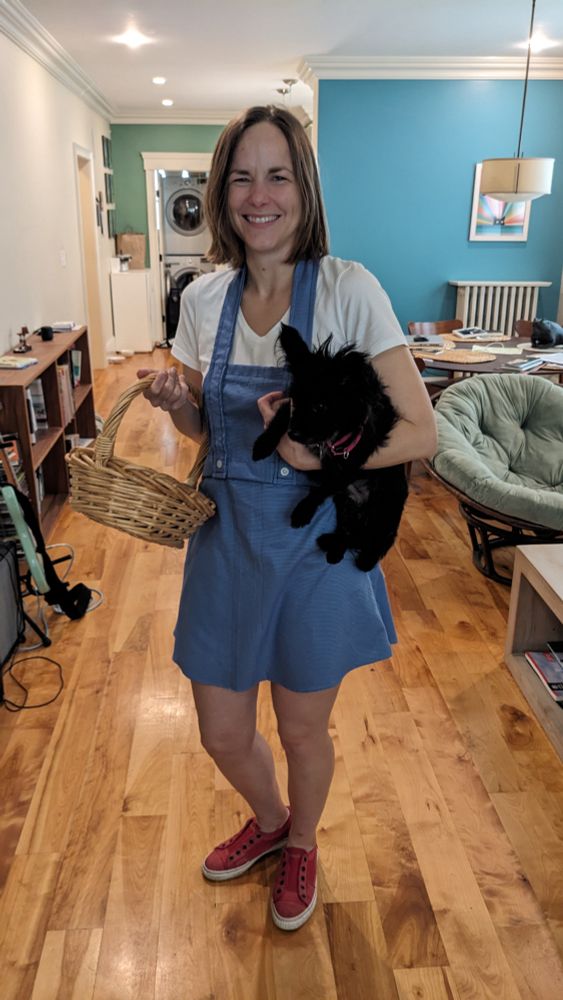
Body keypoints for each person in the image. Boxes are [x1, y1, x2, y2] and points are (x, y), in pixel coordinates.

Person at [138, 105, 436, 932]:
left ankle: (300, 839)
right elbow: (208, 433)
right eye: (241, 176)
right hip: (227, 541)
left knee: (304, 730)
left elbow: (421, 429)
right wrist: (179, 405)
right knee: (222, 731)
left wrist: (318, 460)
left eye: (276, 175)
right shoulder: (202, 300)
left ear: (302, 189)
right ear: (221, 190)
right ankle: (268, 820)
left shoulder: (348, 289)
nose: (257, 195)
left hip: (316, 549)